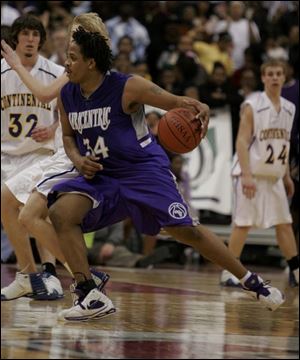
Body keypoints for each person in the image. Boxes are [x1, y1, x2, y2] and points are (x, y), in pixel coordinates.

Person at [47, 26, 285, 322]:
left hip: (143, 171)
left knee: (185, 231)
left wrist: (198, 105)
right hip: (103, 174)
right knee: (60, 213)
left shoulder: (128, 86)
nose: (65, 63)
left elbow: (176, 102)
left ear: (91, 63)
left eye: (72, 58)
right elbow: (68, 137)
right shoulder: (67, 93)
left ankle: (251, 281)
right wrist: (78, 159)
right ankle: (89, 294)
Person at [1, 13, 112, 301]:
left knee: (33, 215)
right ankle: (29, 274)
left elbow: (44, 93)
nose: (68, 42)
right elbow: (62, 106)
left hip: (66, 155)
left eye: (74, 35)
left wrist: (15, 64)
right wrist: (53, 126)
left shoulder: (79, 67)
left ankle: (80, 273)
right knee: (12, 204)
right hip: (62, 149)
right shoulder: (76, 66)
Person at [1, 14, 65, 300]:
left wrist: (52, 128)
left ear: (41, 40)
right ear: (16, 39)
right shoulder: (2, 73)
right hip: (6, 153)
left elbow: (67, 112)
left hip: (39, 154)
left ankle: (49, 272)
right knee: (10, 212)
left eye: (36, 34)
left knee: (36, 210)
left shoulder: (55, 72)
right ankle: (27, 272)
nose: (30, 39)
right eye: (25, 34)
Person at [220, 59, 299, 288]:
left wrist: (285, 176)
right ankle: (228, 272)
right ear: (263, 78)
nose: (275, 77)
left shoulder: (289, 108)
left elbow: (282, 142)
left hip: (274, 175)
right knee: (243, 224)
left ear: (284, 77)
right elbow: (242, 142)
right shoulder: (252, 105)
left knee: (284, 223)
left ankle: (295, 269)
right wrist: (246, 175)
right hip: (251, 174)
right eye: (270, 74)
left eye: (278, 74)